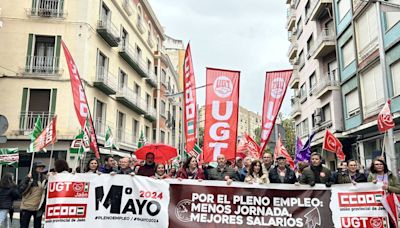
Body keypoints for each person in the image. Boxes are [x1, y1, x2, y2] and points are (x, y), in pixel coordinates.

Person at [19, 161, 48, 228]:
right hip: (27, 207)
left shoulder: (44, 178)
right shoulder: (29, 178)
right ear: (34, 168)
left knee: (37, 226)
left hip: (38, 207)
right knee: (24, 226)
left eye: (42, 167)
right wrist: (27, 180)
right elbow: (20, 190)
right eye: (39, 167)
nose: (41, 169)